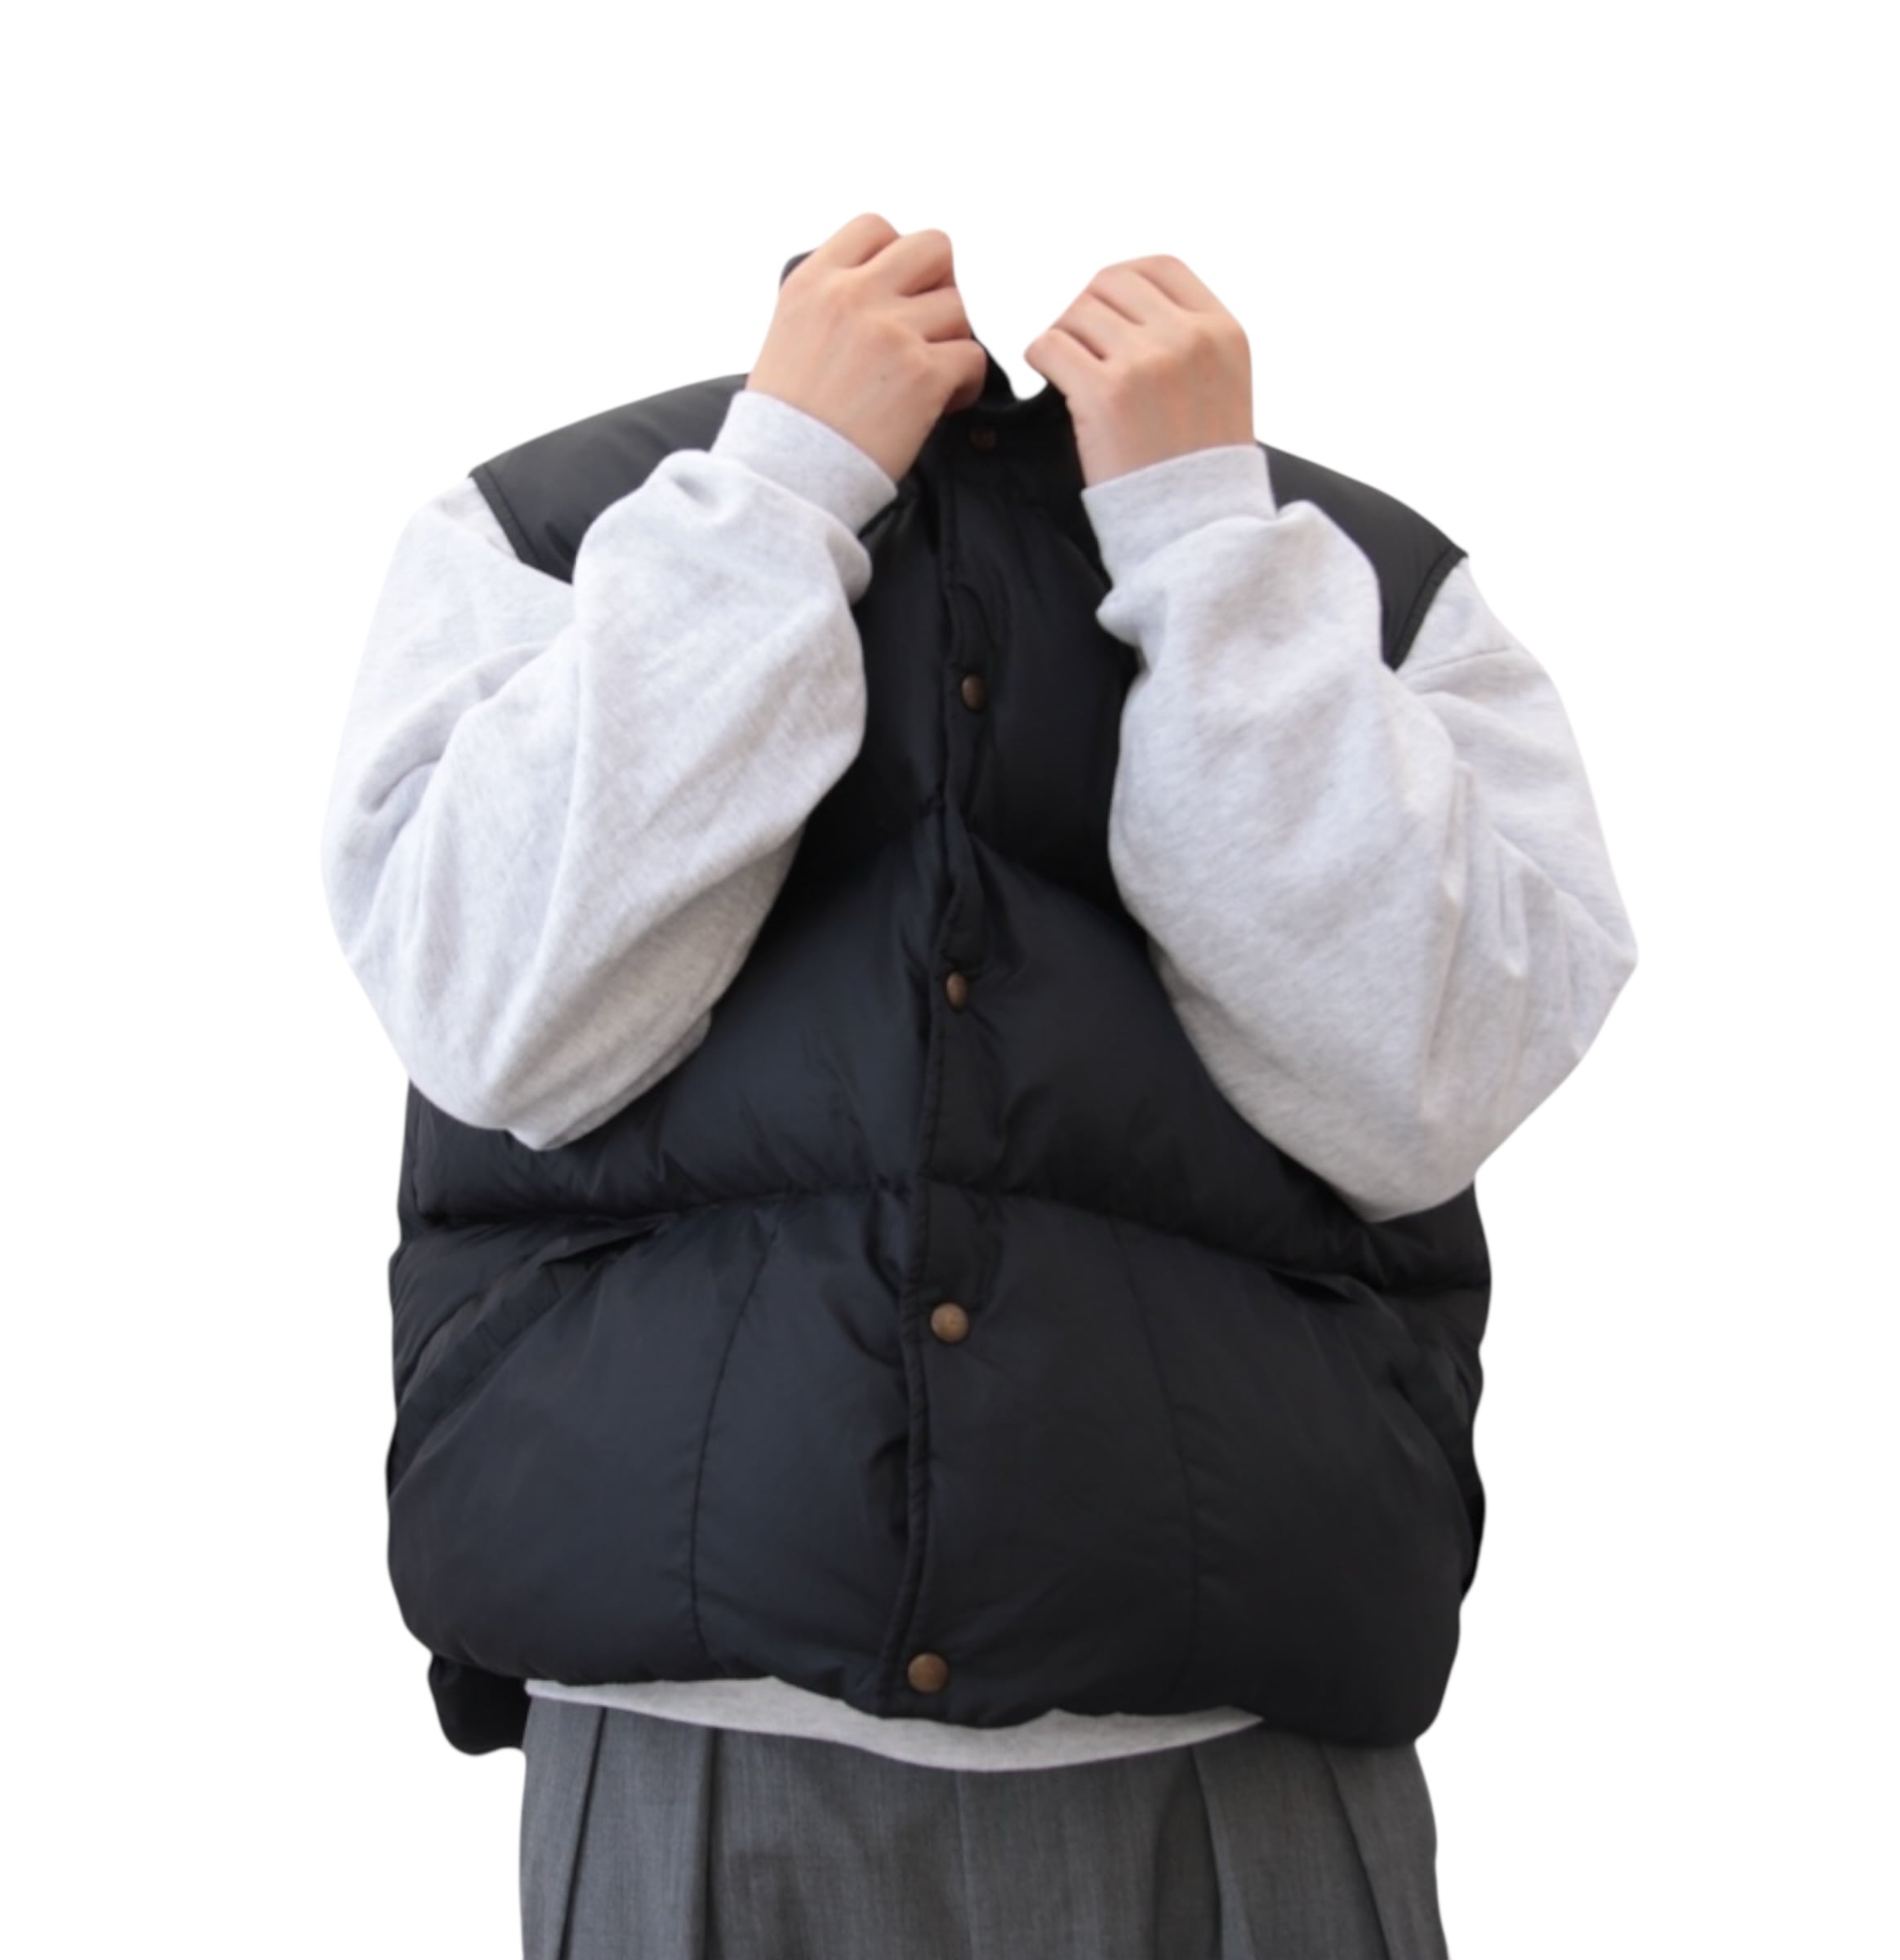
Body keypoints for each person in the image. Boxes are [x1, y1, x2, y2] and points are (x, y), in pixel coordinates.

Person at [318, 212, 1639, 1958]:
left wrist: (1203, 543)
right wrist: (781, 491)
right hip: (694, 1749)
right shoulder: (538, 535)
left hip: (1237, 1752)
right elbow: (493, 1012)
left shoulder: (1379, 587)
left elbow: (1429, 1080)